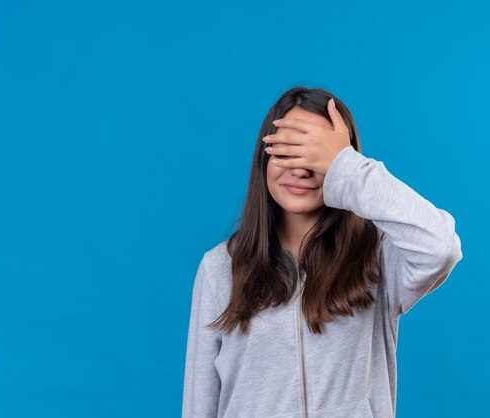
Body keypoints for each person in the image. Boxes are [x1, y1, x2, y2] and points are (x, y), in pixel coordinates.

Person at [182, 86, 463, 418]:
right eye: (288, 152)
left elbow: (441, 247)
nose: (300, 170)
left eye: (315, 155)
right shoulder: (219, 268)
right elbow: (200, 404)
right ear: (264, 158)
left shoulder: (379, 258)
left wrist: (347, 168)